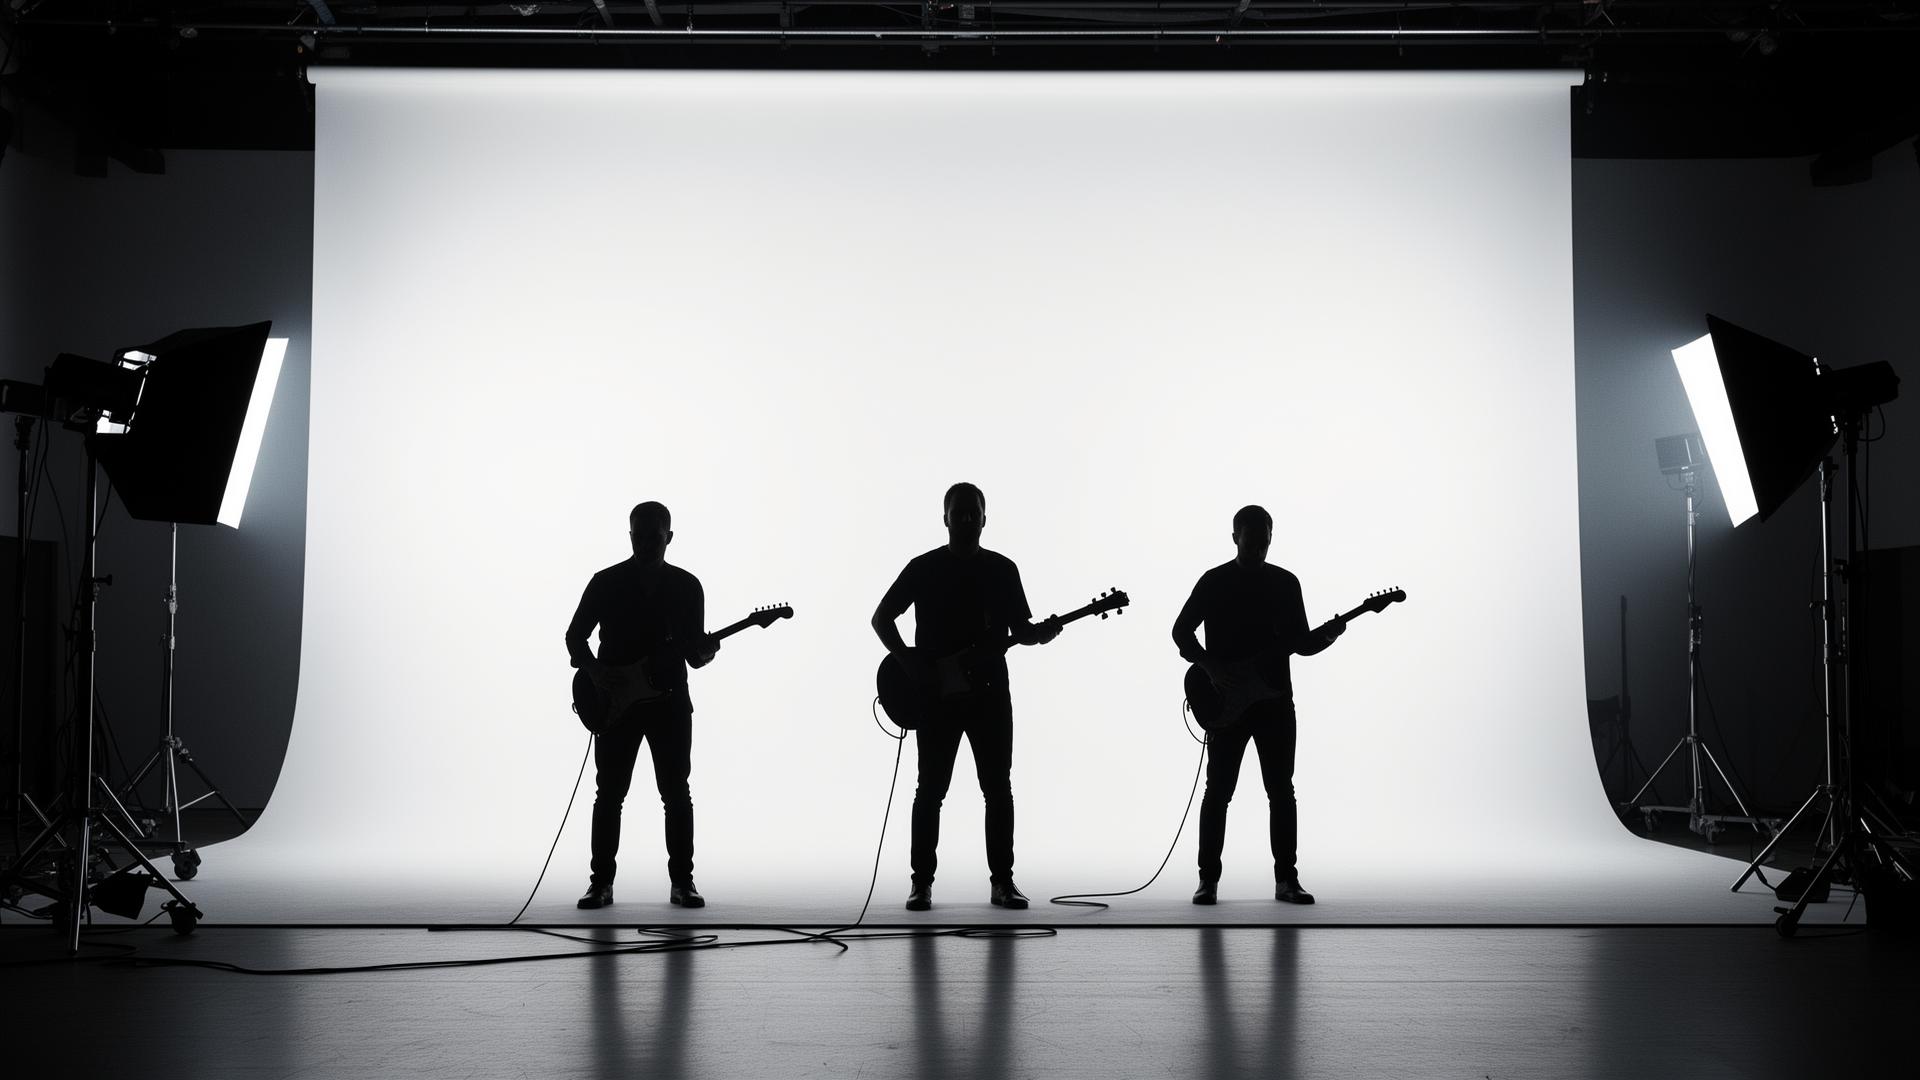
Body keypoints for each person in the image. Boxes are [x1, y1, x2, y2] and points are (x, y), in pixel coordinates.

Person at [872, 482, 1060, 912]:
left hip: (990, 695)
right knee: (930, 790)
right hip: (937, 698)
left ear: (984, 518)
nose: (967, 518)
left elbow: (1022, 631)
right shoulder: (922, 568)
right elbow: (882, 618)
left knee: (998, 789)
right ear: (946, 518)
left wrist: (1041, 634)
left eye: (974, 512)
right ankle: (921, 884)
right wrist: (907, 661)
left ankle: (1003, 883)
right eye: (959, 512)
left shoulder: (1003, 569)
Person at [1172, 504, 1343, 906]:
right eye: (1251, 541)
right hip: (1227, 703)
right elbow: (1180, 631)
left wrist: (1331, 635)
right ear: (1235, 538)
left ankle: (1287, 880)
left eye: (1265, 541)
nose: (1259, 549)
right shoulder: (1213, 581)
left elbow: (1301, 644)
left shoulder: (1286, 583)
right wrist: (1210, 666)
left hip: (1275, 702)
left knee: (1281, 791)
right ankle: (1207, 881)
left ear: (1271, 538)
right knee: (1218, 792)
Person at [565, 501, 718, 910]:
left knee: (676, 793)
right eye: (641, 534)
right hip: (617, 704)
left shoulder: (688, 586)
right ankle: (601, 884)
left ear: (669, 537)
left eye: (656, 535)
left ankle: (682, 883)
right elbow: (574, 638)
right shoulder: (605, 582)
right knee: (609, 793)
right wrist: (596, 673)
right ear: (630, 535)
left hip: (670, 703)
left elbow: (694, 657)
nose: (649, 541)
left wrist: (707, 653)